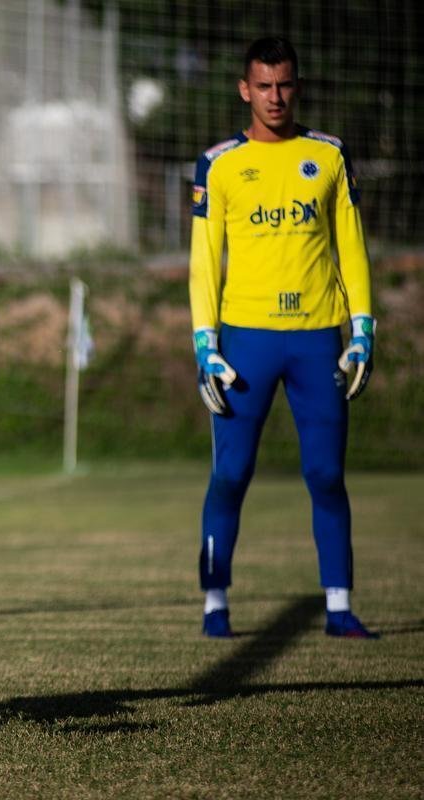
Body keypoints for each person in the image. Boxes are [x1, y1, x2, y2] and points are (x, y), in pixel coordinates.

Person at [188, 37, 377, 639]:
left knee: (324, 474)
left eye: (285, 85)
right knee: (230, 475)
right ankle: (215, 603)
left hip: (318, 338)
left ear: (298, 87)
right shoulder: (217, 164)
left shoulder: (328, 156)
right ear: (245, 90)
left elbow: (351, 246)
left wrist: (364, 328)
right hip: (244, 343)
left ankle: (340, 606)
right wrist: (204, 344)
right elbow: (202, 261)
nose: (275, 97)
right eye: (263, 86)